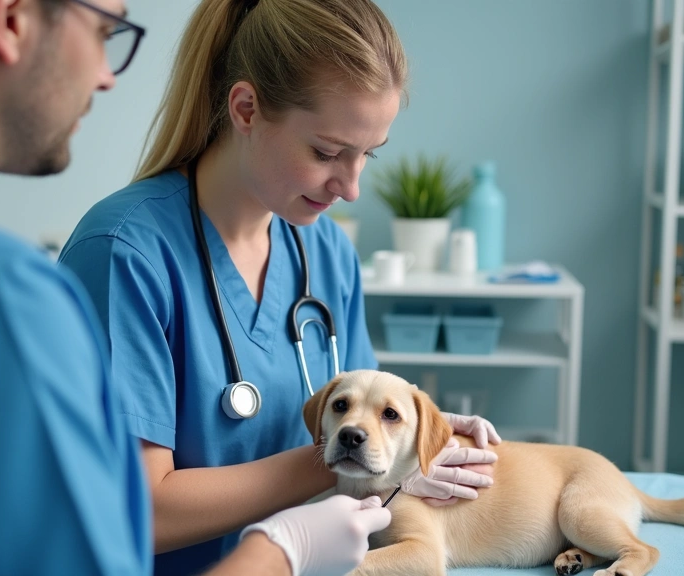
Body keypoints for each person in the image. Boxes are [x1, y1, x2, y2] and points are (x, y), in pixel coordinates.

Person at [0, 0, 389, 575]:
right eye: (104, 29)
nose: (106, 75)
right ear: (10, 16)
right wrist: (280, 553)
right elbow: (125, 524)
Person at [59, 0, 502, 573]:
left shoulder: (328, 252)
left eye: (367, 155)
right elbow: (134, 510)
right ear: (245, 108)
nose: (351, 187)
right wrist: (350, 458)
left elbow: (366, 424)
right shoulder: (125, 253)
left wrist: (416, 440)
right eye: (327, 152)